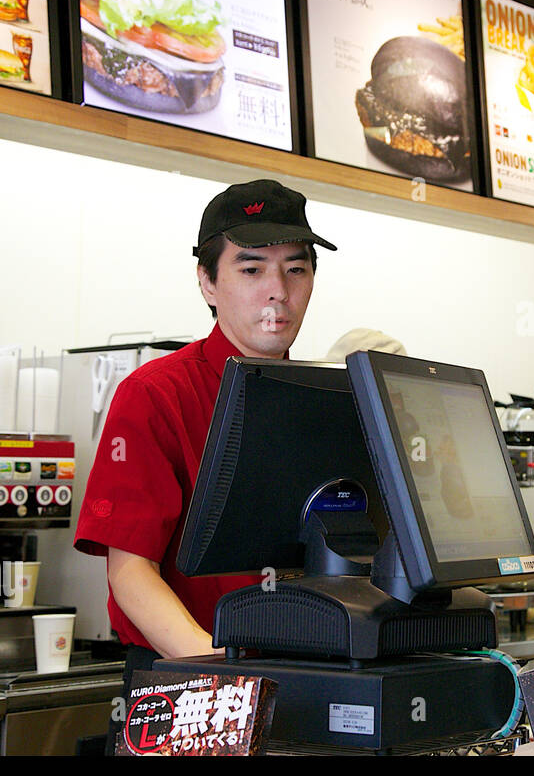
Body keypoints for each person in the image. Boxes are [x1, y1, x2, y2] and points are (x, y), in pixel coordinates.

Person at [74, 179, 337, 720]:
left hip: (303, 676)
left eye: (296, 268)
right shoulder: (153, 395)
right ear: (207, 283)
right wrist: (218, 670)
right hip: (187, 681)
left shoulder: (327, 399)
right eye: (251, 269)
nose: (277, 291)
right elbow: (130, 571)